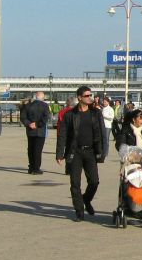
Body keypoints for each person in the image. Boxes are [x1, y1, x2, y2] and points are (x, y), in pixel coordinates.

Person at [55, 86, 107, 221]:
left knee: (94, 181)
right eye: (87, 96)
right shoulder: (70, 115)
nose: (90, 97)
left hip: (90, 151)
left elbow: (102, 133)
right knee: (75, 183)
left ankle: (86, 199)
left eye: (90, 95)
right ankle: (79, 210)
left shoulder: (96, 113)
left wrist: (103, 151)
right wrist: (60, 154)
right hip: (75, 152)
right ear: (79, 98)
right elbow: (63, 135)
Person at [20, 91, 50, 175]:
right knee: (38, 150)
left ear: (35, 97)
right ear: (42, 98)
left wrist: (29, 124)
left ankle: (31, 167)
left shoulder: (27, 106)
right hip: (40, 131)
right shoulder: (45, 106)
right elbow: (46, 118)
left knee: (30, 149)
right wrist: (37, 124)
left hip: (30, 131)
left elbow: (23, 117)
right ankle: (36, 169)